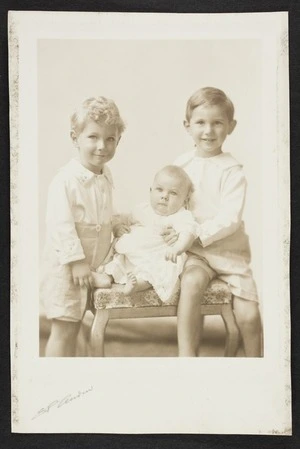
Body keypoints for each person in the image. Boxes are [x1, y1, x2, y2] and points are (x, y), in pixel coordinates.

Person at [167, 86, 262, 357]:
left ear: (231, 126)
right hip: (196, 251)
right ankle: (188, 358)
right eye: (200, 123)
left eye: (217, 123)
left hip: (229, 252)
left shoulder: (232, 171)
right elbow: (172, 202)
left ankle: (257, 366)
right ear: (187, 126)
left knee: (249, 314)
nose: (208, 131)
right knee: (191, 283)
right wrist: (172, 229)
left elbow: (230, 218)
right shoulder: (181, 164)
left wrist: (196, 232)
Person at [40, 96, 125, 357]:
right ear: (75, 137)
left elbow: (100, 214)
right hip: (68, 268)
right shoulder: (65, 181)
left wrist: (119, 224)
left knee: (82, 326)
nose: (102, 146)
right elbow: (60, 225)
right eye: (93, 137)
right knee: (65, 328)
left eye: (110, 139)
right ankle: (55, 380)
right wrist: (76, 261)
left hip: (94, 266)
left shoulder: (105, 175)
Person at [96, 165, 198, 302]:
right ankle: (105, 277)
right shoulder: (142, 209)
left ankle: (137, 285)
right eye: (159, 190)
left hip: (157, 256)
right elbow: (122, 219)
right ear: (150, 191)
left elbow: (189, 232)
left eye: (173, 193)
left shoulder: (180, 216)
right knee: (118, 260)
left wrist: (177, 248)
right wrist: (118, 227)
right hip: (131, 254)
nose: (164, 196)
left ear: (185, 200)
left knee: (156, 271)